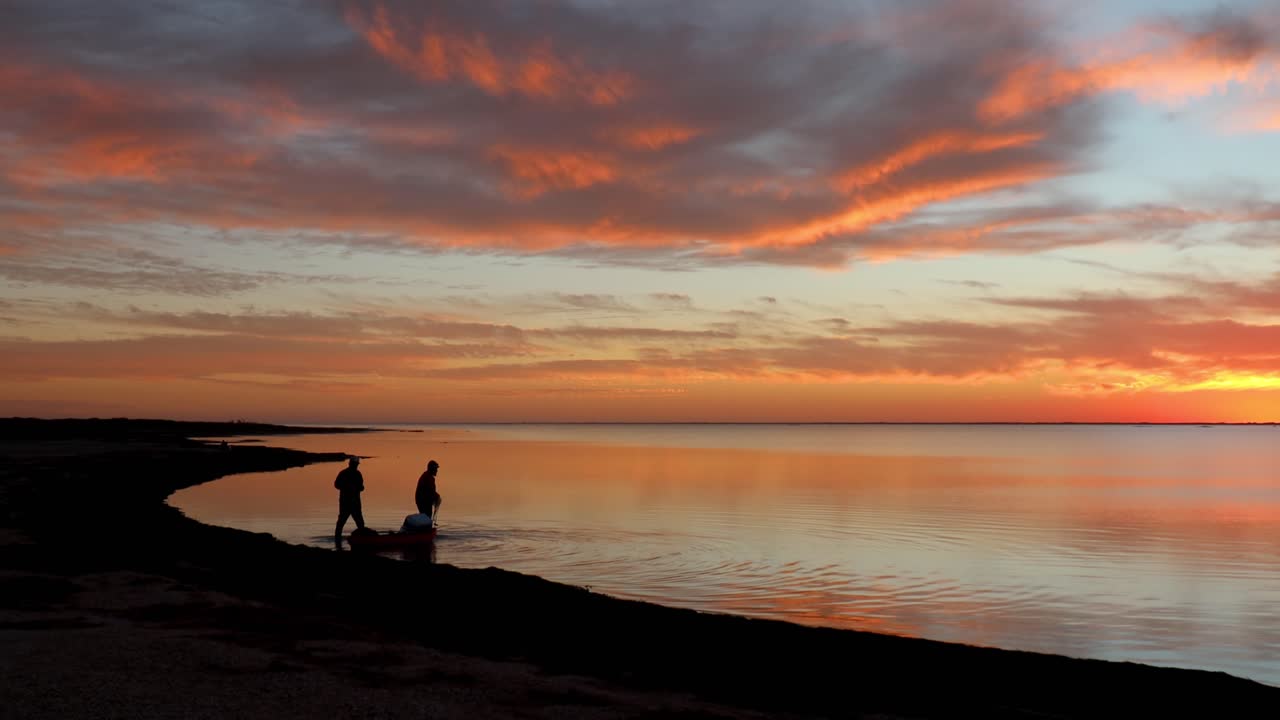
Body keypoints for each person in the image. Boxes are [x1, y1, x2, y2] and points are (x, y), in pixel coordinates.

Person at [334, 456, 366, 538]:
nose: (356, 466)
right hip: (347, 503)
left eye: (356, 464)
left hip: (353, 503)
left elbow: (361, 487)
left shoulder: (357, 474)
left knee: (359, 523)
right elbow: (336, 485)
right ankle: (338, 538)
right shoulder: (345, 473)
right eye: (355, 464)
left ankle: (362, 539)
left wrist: (359, 488)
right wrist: (347, 487)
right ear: (351, 464)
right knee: (342, 522)